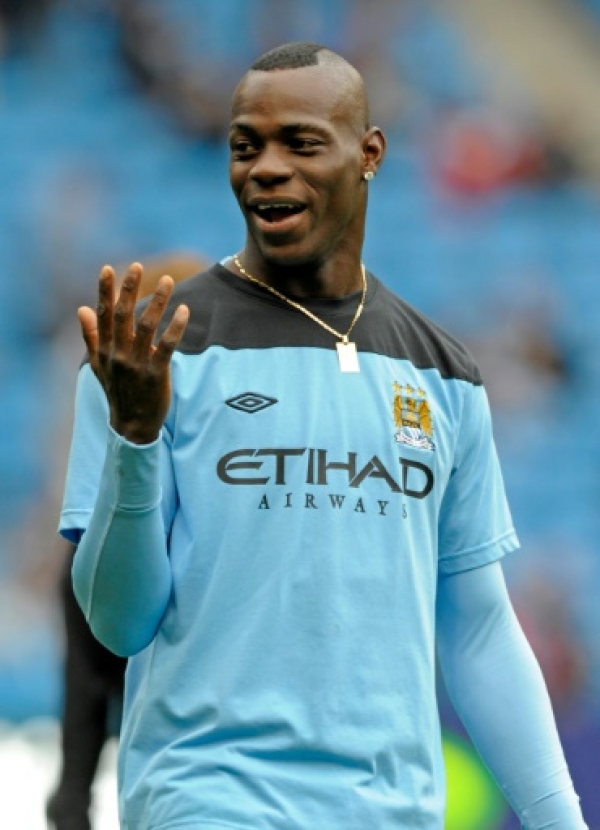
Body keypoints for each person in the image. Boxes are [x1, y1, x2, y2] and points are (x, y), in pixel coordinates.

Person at [59, 42, 587, 830]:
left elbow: (476, 626)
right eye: (247, 145)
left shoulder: (444, 374)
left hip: (392, 812)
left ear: (369, 153)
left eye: (300, 142)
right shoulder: (158, 350)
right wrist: (135, 442)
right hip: (209, 802)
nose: (266, 167)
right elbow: (118, 620)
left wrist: (560, 820)